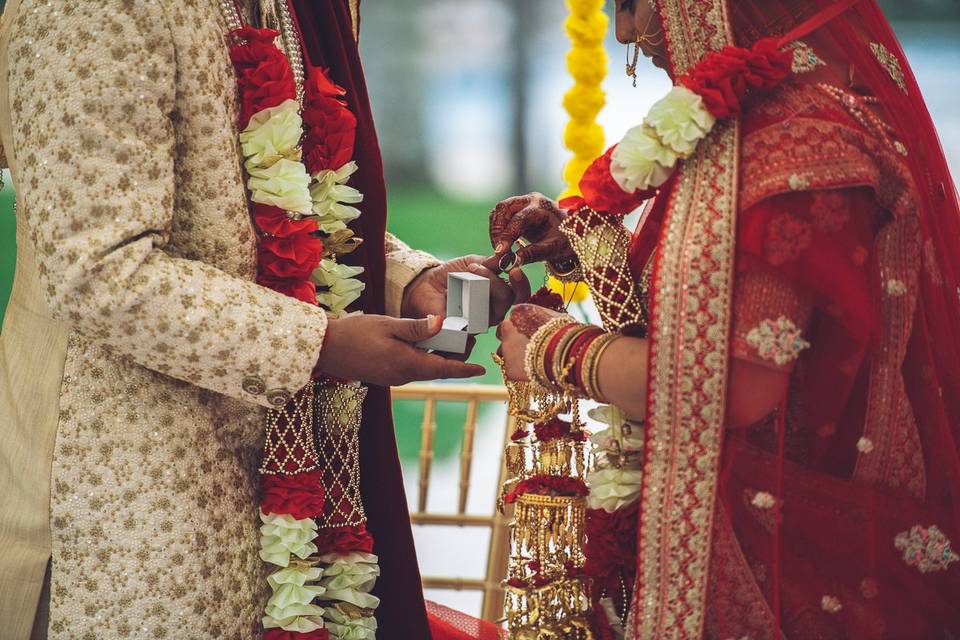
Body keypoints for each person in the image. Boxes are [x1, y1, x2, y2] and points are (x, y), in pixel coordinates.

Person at [0, 0, 527, 638]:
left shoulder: (297, 7)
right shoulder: (85, 10)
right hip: (134, 483)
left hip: (294, 460)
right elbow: (98, 267)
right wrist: (321, 342)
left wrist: (408, 282)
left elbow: (292, 210)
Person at [493, 0, 960, 637]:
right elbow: (705, 300)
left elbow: (732, 386)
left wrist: (556, 352)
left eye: (631, 6)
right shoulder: (759, 110)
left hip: (801, 553)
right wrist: (581, 240)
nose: (626, 34)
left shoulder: (795, 152)